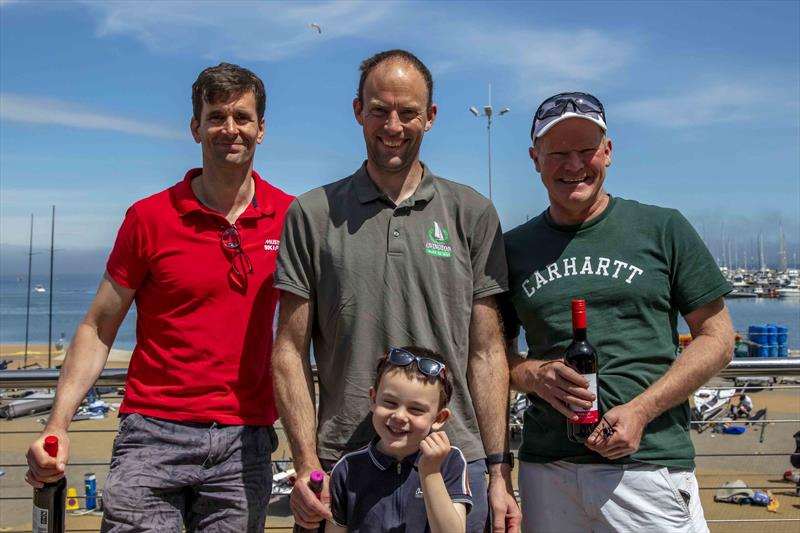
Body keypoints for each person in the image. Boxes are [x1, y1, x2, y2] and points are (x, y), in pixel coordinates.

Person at [25, 63, 293, 532]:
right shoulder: (150, 218)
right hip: (152, 433)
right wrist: (57, 425)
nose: (230, 129)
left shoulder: (291, 218)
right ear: (196, 127)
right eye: (216, 117)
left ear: (261, 129)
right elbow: (97, 326)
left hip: (244, 440)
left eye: (243, 117)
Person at [273, 49, 520, 533]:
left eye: (408, 112)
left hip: (455, 459)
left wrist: (498, 470)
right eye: (380, 109)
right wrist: (307, 465)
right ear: (357, 111)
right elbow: (288, 350)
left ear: (429, 117)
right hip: (345, 463)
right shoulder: (312, 214)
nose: (393, 125)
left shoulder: (471, 212)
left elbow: (488, 353)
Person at [501, 92, 735, 532]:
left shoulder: (663, 228)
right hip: (547, 469)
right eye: (558, 153)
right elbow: (494, 356)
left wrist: (642, 410)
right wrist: (535, 374)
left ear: (607, 151)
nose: (574, 165)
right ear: (535, 159)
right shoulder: (513, 248)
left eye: (586, 150)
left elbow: (718, 339)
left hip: (648, 466)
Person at [327, 346, 471, 533]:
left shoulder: (450, 461)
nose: (400, 416)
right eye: (390, 402)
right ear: (373, 399)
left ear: (439, 418)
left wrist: (430, 472)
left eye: (416, 409)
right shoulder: (347, 468)